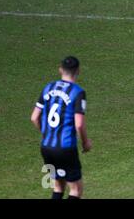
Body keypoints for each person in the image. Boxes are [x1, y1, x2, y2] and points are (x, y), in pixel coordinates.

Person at [31, 56, 92, 199]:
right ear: (78, 71)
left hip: (46, 147)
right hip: (65, 148)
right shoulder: (78, 92)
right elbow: (79, 123)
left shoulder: (48, 88)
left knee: (58, 186)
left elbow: (34, 117)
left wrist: (47, 134)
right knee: (76, 189)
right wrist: (85, 142)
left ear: (60, 70)